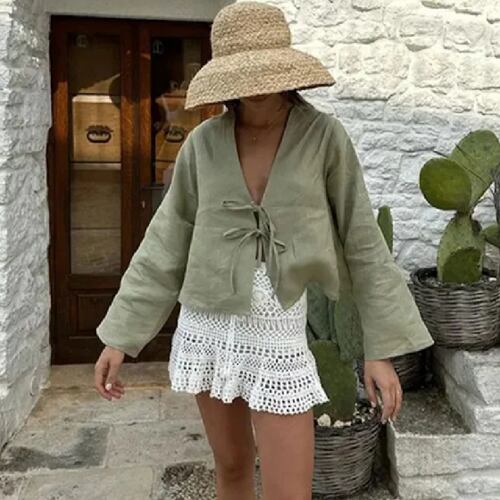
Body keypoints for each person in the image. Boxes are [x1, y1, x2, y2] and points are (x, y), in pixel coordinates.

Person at [94, 2, 434, 499]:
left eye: (264, 71)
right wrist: (120, 337)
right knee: (231, 470)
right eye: (243, 74)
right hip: (208, 323)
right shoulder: (203, 143)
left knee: (288, 491)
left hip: (278, 329)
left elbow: (363, 239)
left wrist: (378, 350)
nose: (255, 85)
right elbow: (166, 241)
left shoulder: (323, 137)